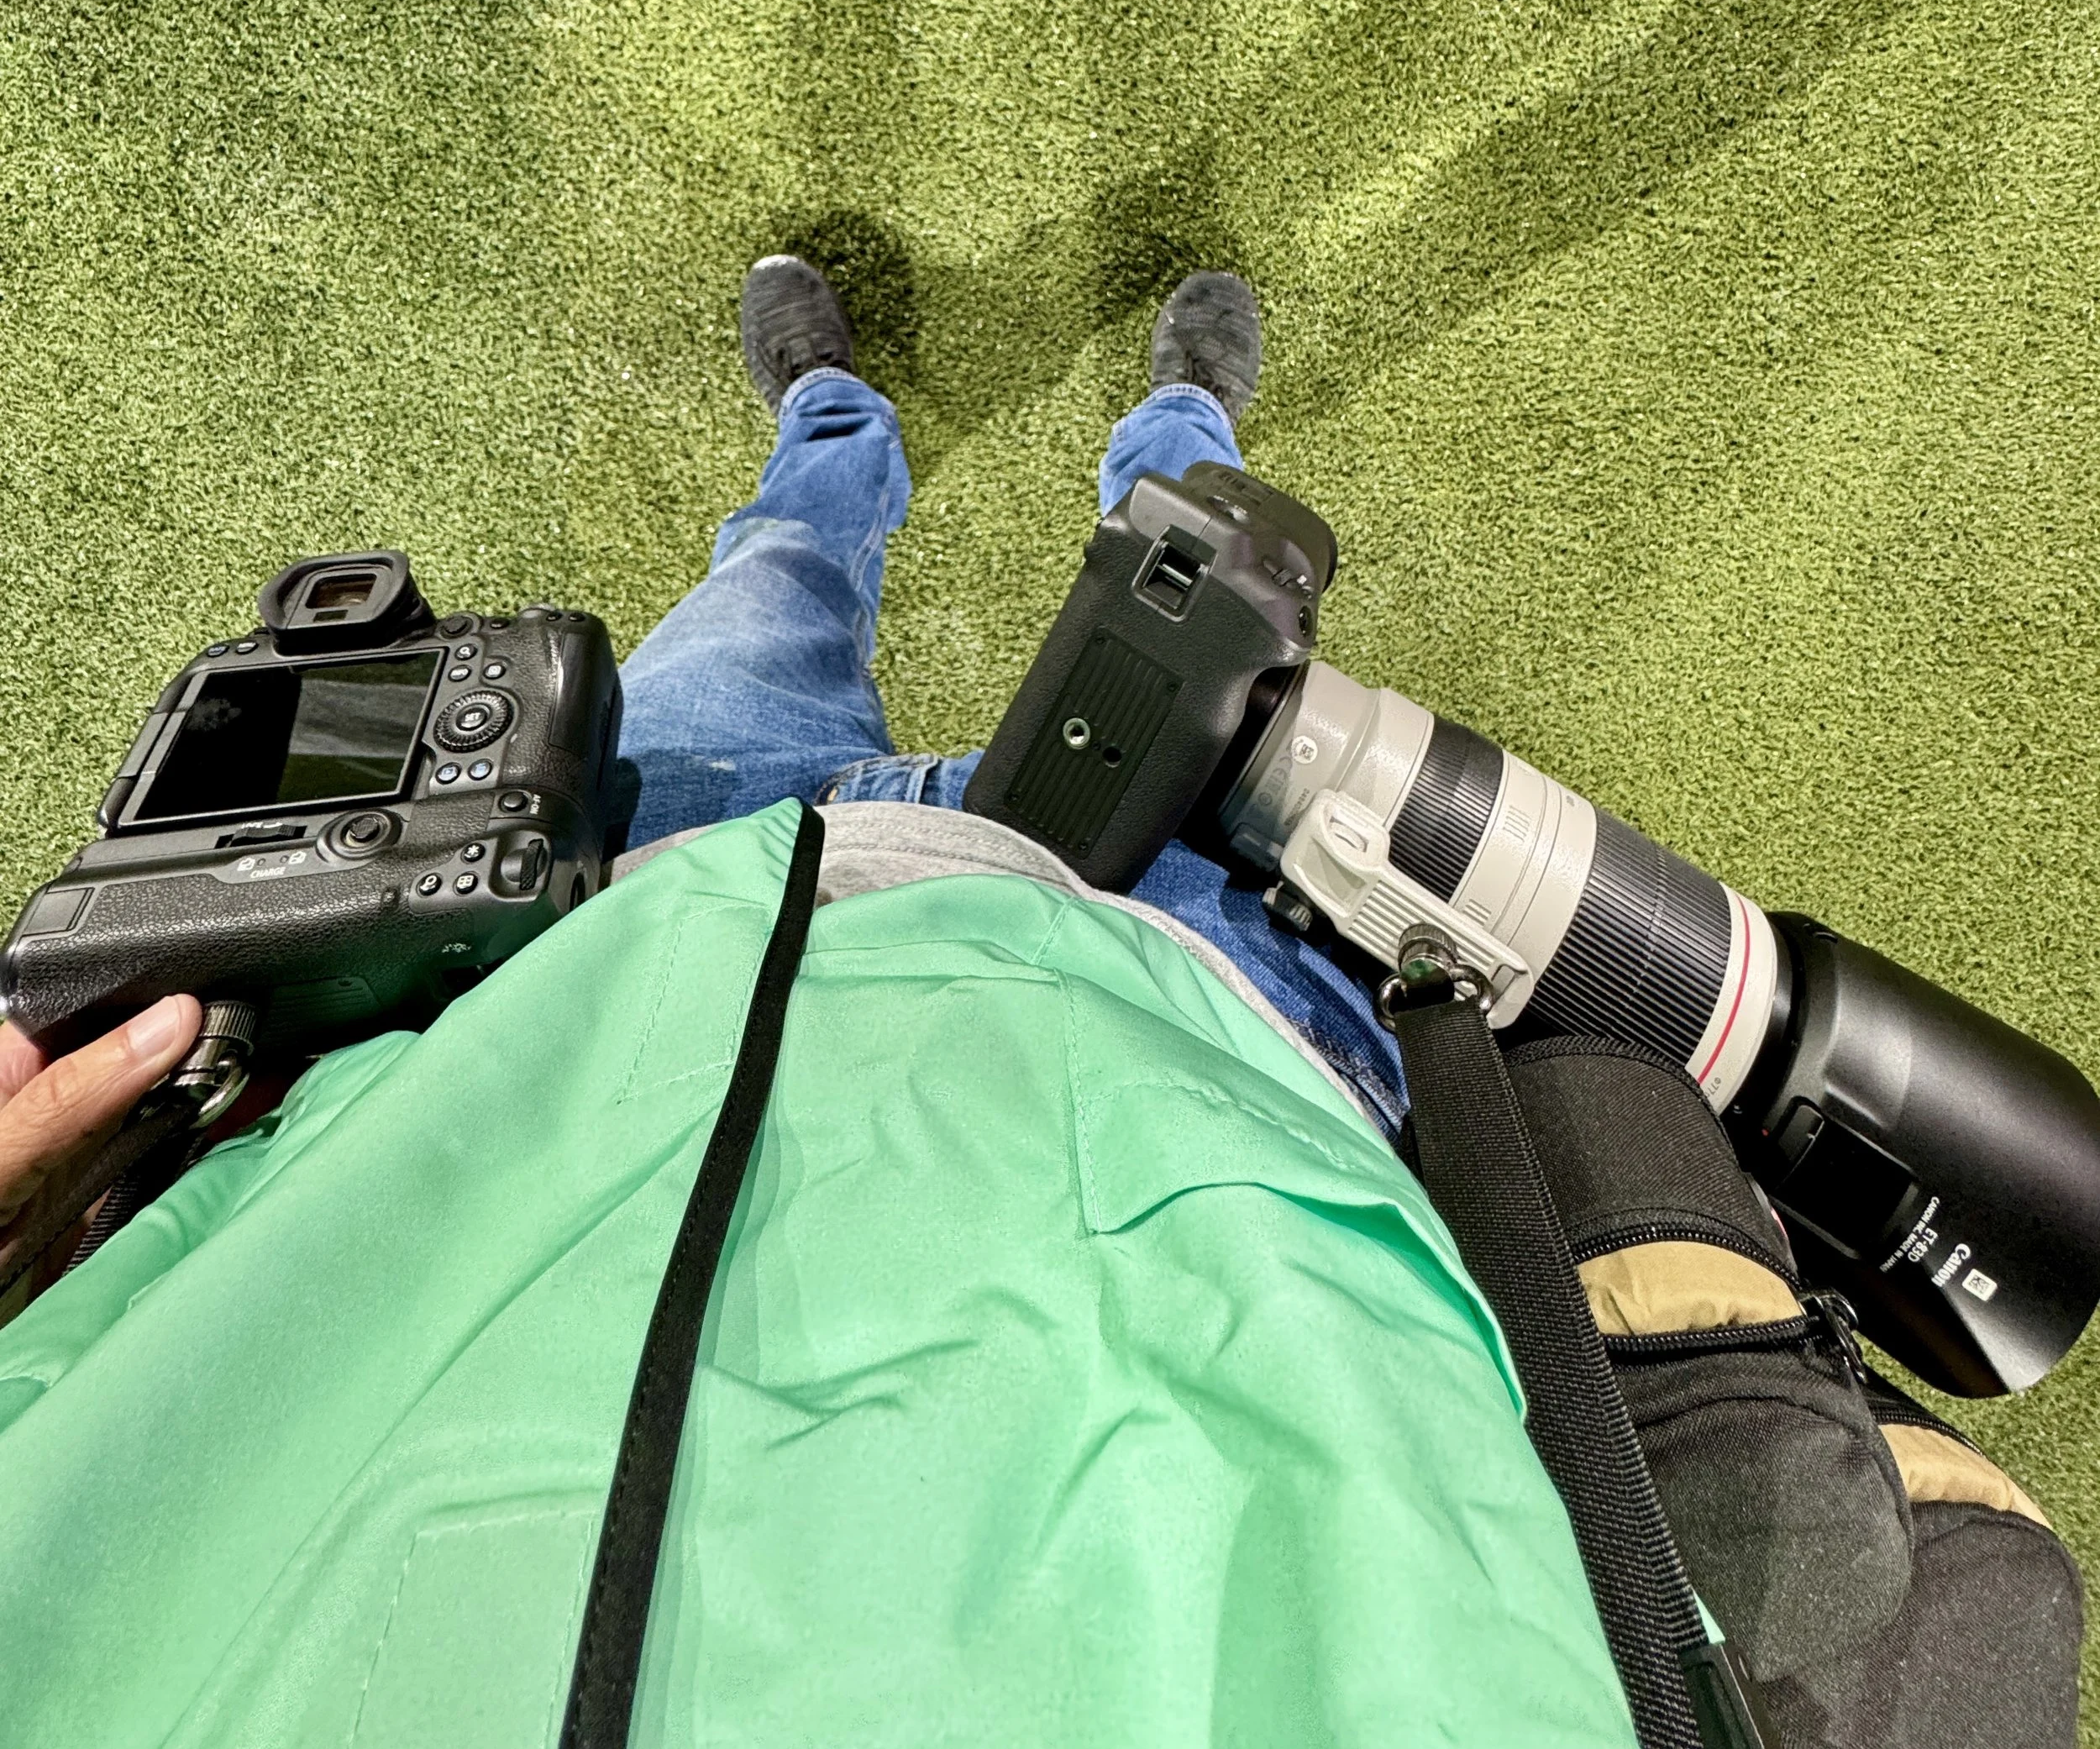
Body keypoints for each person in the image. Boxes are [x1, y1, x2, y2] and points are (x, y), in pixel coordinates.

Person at [0, 266, 2078, 1749]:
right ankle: (1180, 413)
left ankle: (837, 422)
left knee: (774, 580)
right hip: (1198, 1013)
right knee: (1200, 594)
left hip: (574, 928)